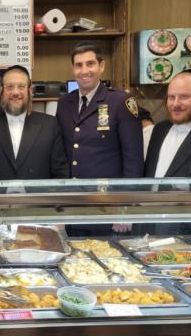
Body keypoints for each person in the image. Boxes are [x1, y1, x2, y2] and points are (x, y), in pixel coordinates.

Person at [56, 43, 143, 234]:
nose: (84, 71)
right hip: (73, 207)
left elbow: (133, 160)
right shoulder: (64, 103)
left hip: (107, 208)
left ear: (101, 66)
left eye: (90, 64)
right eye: (78, 65)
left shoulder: (121, 102)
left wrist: (125, 208)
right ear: (73, 69)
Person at [0, 65, 69, 180]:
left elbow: (60, 174)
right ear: (2, 91)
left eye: (21, 86)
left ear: (29, 90)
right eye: (9, 87)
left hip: (35, 197)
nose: (15, 92)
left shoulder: (50, 125)